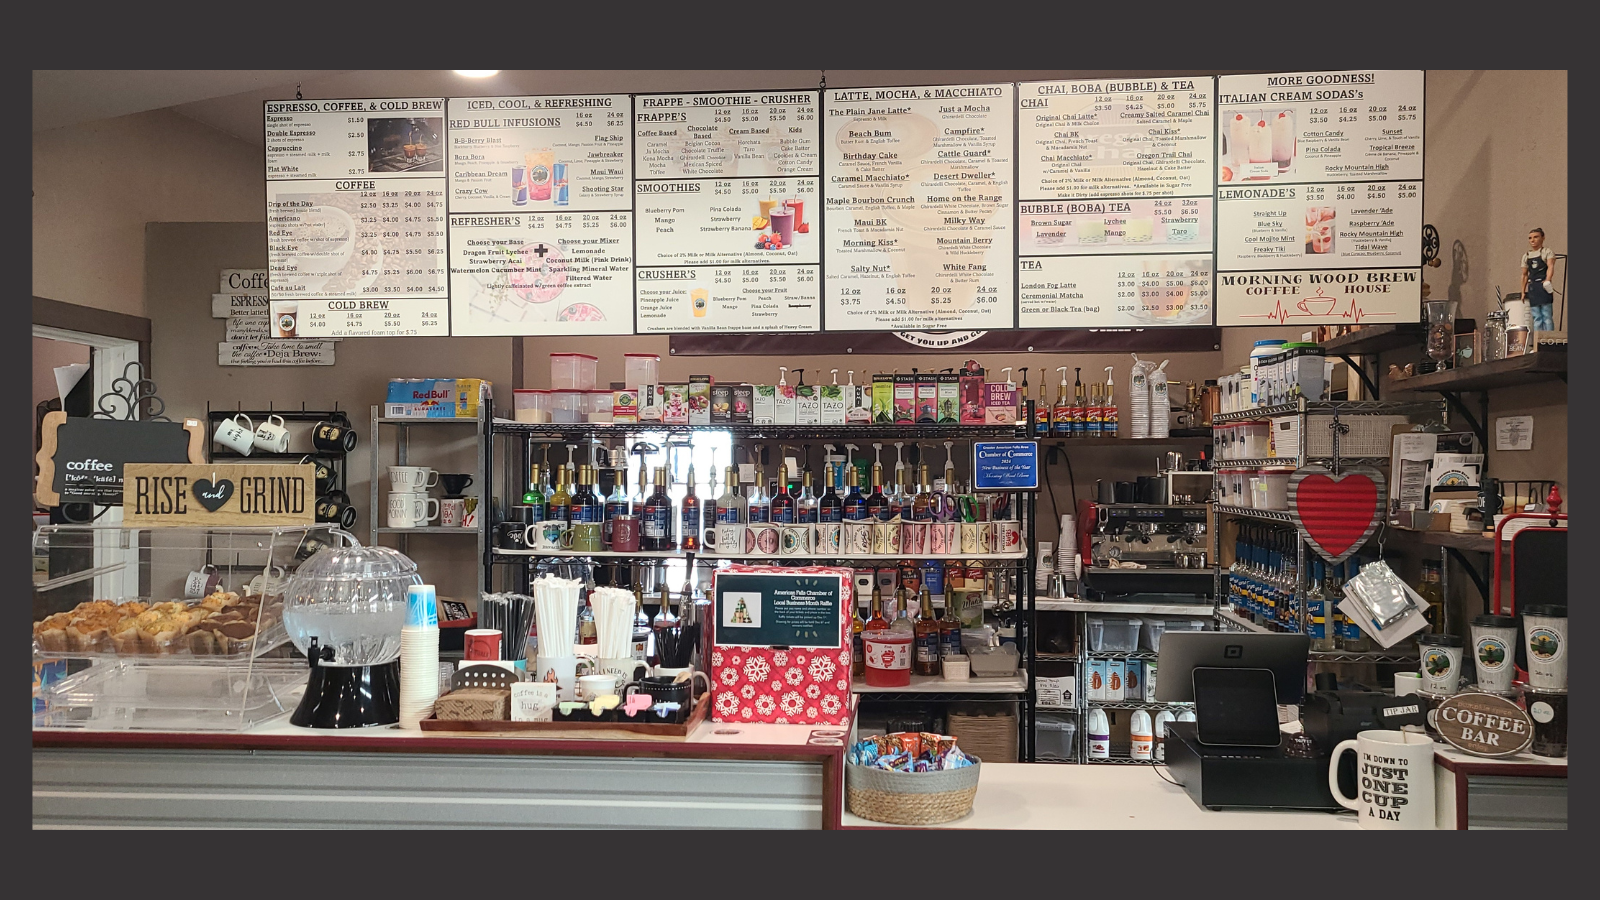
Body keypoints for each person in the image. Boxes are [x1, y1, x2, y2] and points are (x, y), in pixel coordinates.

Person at [1520, 228, 1557, 331]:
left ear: (1542, 238)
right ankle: (1538, 341)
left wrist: (1548, 279)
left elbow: (1550, 266)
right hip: (1533, 288)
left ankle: (1549, 340)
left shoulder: (1547, 252)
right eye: (1530, 238)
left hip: (1544, 287)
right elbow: (1524, 275)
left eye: (1536, 237)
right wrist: (1523, 291)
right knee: (1537, 318)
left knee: (1547, 316)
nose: (1532, 240)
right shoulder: (1526, 256)